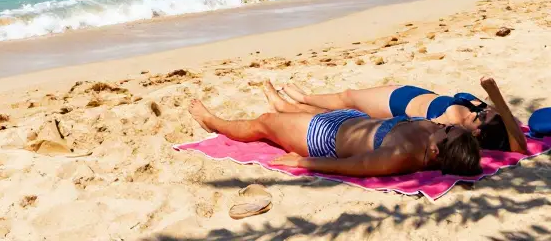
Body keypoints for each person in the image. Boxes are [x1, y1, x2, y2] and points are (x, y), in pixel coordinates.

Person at [187, 98, 482, 178]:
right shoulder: (436, 140)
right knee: (291, 112)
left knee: (264, 123)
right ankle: (285, 103)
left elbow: (356, 166)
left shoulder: (400, 156)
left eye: (445, 131)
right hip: (352, 122)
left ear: (434, 153)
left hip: (322, 137)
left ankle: (213, 121)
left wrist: (303, 161)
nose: (441, 126)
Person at [261, 76, 528, 153]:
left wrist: (491, 95)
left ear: (478, 132)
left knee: (348, 99)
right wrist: (494, 108)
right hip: (418, 92)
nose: (482, 113)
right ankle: (296, 100)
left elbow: (520, 148)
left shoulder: (453, 127)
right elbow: (515, 135)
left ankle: (298, 100)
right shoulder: (480, 121)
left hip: (398, 102)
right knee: (346, 107)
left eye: (481, 118)